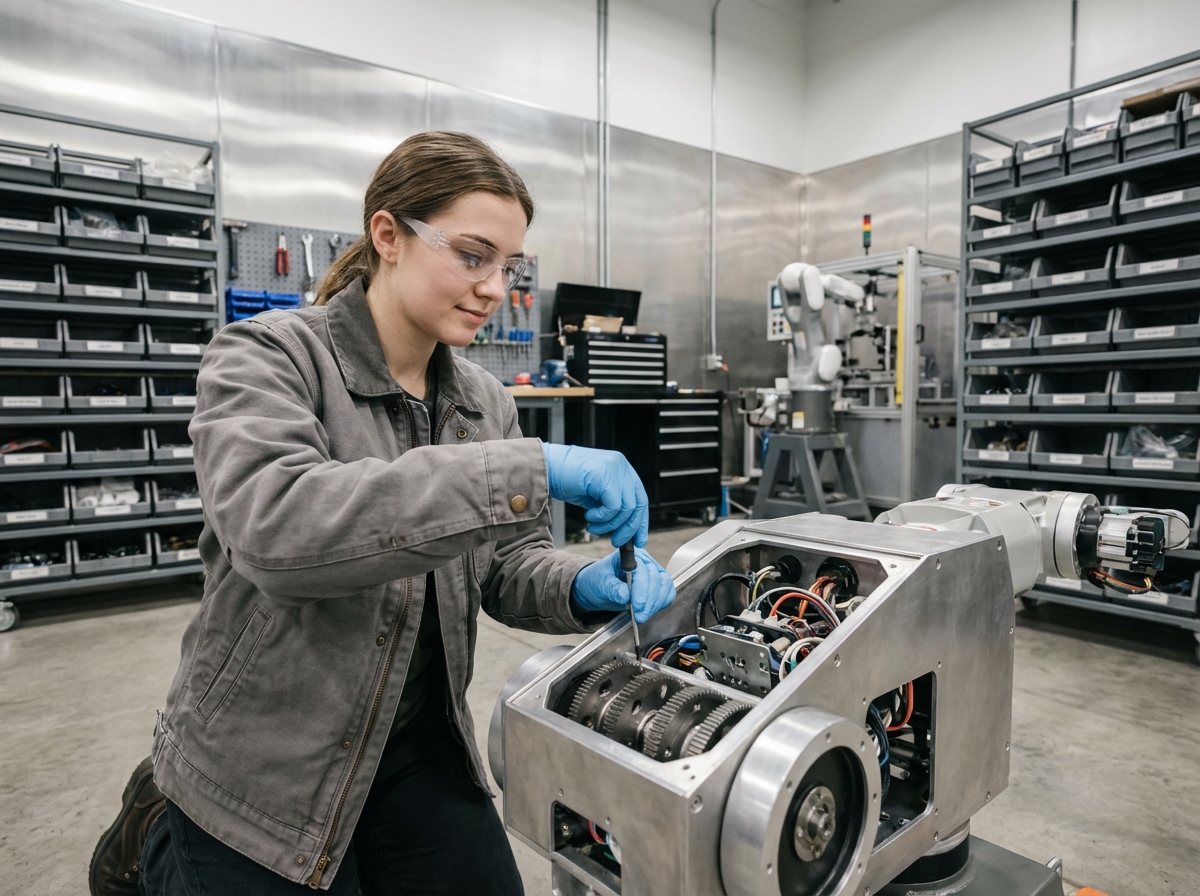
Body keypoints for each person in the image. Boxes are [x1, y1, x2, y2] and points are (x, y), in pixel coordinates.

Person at [88, 131, 675, 895]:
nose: (494, 288)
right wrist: (524, 468)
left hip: (415, 741)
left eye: (510, 267)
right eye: (473, 256)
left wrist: (580, 583)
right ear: (388, 236)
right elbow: (281, 531)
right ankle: (162, 836)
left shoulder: (482, 401)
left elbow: (505, 564)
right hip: (263, 768)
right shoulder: (266, 357)